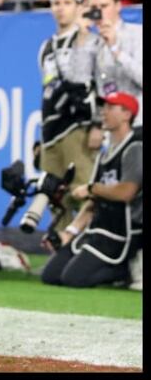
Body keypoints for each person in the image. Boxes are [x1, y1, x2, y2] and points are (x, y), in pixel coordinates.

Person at [42, 92, 142, 289]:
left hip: (122, 233)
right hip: (97, 230)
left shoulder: (135, 148)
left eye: (110, 108)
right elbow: (92, 201)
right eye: (103, 107)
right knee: (51, 275)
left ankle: (125, 270)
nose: (103, 112)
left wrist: (91, 188)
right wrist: (70, 232)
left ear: (127, 114)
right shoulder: (103, 155)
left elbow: (126, 192)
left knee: (73, 279)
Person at [38, 0, 101, 233]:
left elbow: (98, 83)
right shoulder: (46, 47)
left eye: (67, 3)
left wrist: (97, 124)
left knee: (84, 191)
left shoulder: (89, 41)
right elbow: (48, 89)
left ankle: (90, 246)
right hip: (51, 131)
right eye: (56, 3)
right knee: (54, 197)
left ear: (79, 7)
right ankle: (61, 249)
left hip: (78, 127)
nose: (61, 8)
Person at [85, 0, 143, 127]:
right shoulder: (91, 42)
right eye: (94, 8)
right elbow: (81, 83)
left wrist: (115, 49)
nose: (99, 13)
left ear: (118, 6)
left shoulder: (137, 34)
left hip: (138, 122)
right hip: (109, 127)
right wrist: (81, 35)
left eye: (104, 6)